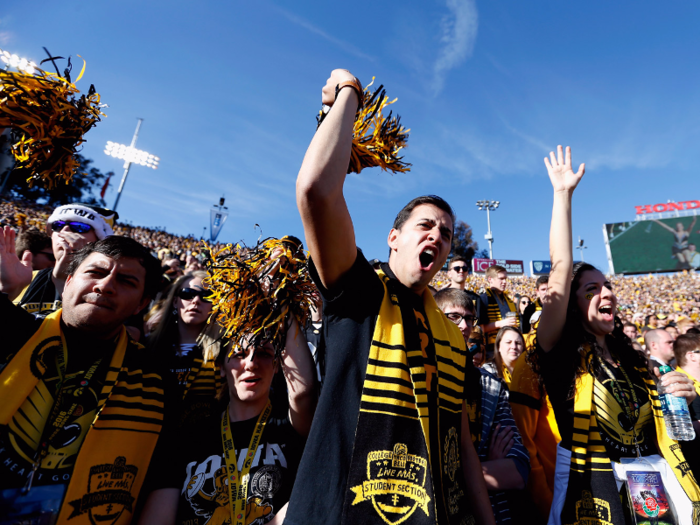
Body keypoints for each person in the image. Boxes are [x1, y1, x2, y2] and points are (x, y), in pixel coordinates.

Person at [291, 68, 495, 525]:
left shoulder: (451, 333)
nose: (438, 238)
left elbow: (460, 444)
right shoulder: (359, 288)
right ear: (393, 238)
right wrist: (348, 93)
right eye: (425, 226)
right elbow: (317, 191)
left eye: (445, 234)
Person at [537, 146, 699, 525]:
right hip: (596, 491)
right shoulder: (559, 351)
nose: (606, 293)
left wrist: (689, 400)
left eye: (607, 285)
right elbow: (560, 274)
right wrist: (563, 195)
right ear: (572, 305)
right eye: (590, 289)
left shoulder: (635, 362)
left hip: (659, 489)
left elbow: (677, 432)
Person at [0, 234, 166, 525]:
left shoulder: (156, 382)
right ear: (67, 280)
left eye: (126, 281)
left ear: (141, 305)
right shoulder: (10, 329)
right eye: (96, 272)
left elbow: (163, 478)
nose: (105, 286)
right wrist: (7, 290)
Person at [138, 315, 317, 525]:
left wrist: (283, 309)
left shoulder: (292, 428)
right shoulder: (188, 437)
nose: (251, 363)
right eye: (239, 354)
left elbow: (303, 394)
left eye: (264, 353)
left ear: (278, 366)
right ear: (221, 367)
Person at [435, 289, 530, 524]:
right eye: (454, 317)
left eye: (469, 318)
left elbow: (519, 469)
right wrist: (485, 463)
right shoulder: (417, 378)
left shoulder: (491, 386)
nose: (465, 326)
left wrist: (461, 472)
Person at [0, 203, 118, 316]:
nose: (64, 230)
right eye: (58, 225)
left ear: (99, 242)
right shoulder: (26, 277)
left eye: (79, 227)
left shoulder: (109, 287)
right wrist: (7, 290)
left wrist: (62, 284)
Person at [147, 270, 224, 427]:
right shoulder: (148, 346)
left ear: (214, 305)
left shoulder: (225, 350)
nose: (195, 300)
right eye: (187, 293)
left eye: (206, 296)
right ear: (175, 302)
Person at [478, 265, 520, 354]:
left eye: (505, 278)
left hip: (509, 348)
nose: (504, 282)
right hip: (491, 350)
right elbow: (479, 329)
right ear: (490, 279)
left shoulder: (508, 300)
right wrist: (501, 323)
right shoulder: (483, 299)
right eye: (501, 279)